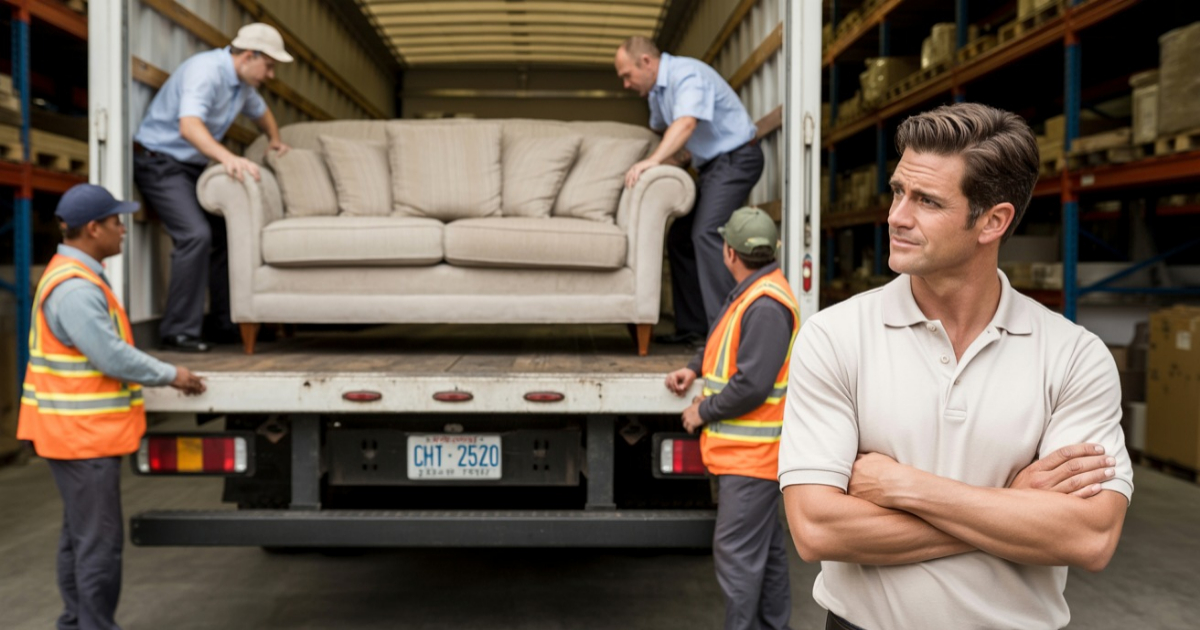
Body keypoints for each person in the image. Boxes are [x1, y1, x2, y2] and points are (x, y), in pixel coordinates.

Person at [778, 103, 1132, 630]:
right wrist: (1011, 505)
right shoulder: (834, 337)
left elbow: (1090, 537)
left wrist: (904, 488)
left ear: (993, 221)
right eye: (898, 191)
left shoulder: (1073, 356)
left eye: (926, 200)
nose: (897, 215)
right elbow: (816, 529)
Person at [18, 184, 207, 630]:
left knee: (79, 540)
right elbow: (111, 357)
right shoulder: (76, 289)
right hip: (83, 439)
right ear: (93, 228)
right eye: (117, 221)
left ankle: (76, 622)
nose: (124, 230)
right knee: (98, 546)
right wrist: (172, 374)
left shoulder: (72, 275)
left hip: (74, 435)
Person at [665, 207, 797, 630]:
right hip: (748, 457)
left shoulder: (765, 305)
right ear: (772, 249)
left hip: (750, 458)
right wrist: (695, 365)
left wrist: (701, 410)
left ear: (728, 252)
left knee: (737, 555)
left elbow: (752, 385)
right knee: (768, 553)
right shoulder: (754, 292)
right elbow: (728, 346)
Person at [133, 22, 294, 352]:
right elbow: (189, 126)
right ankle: (178, 332)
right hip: (159, 163)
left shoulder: (242, 87)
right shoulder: (205, 71)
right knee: (195, 235)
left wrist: (275, 141)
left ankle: (224, 324)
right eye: (270, 66)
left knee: (225, 235)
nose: (271, 75)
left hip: (190, 168)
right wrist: (227, 158)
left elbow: (263, 114)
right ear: (249, 56)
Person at [615, 36, 763, 346]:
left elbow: (685, 125)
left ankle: (726, 333)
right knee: (680, 238)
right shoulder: (656, 94)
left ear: (646, 62)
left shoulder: (687, 74)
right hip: (710, 167)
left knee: (706, 233)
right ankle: (694, 328)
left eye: (627, 75)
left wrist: (651, 162)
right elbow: (671, 139)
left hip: (738, 158)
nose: (626, 84)